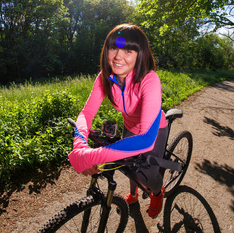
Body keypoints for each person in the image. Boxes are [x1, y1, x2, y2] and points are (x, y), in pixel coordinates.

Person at [68, 23, 168, 218]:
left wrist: (91, 157)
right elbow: (85, 114)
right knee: (130, 168)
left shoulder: (149, 79)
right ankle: (133, 193)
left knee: (147, 176)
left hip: (154, 131)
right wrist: (79, 146)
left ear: (141, 54)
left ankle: (157, 192)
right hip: (130, 126)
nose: (118, 56)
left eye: (128, 51)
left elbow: (146, 139)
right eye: (113, 48)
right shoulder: (105, 78)